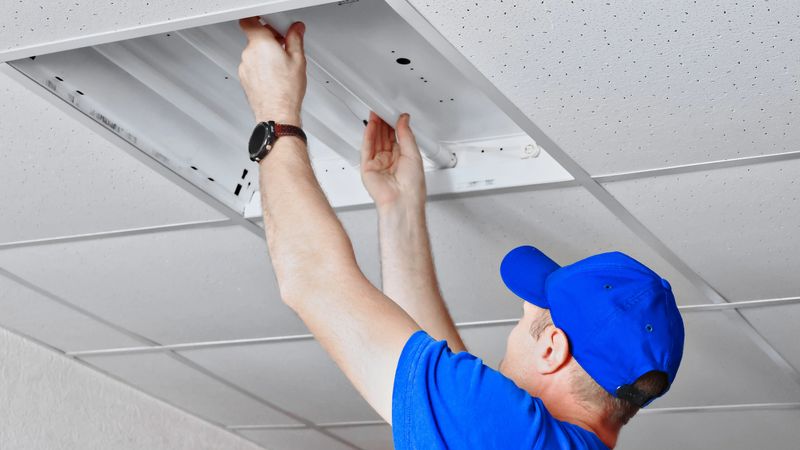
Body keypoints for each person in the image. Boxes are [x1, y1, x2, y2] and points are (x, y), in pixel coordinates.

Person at [237, 17, 685, 449]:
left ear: (553, 348)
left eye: (524, 320)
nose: (514, 329)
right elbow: (440, 386)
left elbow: (312, 281)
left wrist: (274, 111)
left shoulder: (511, 435)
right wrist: (398, 210)